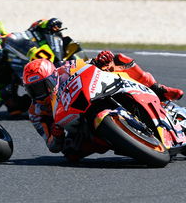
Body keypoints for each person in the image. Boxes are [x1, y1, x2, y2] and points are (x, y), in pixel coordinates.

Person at [23, 50, 184, 161]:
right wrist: (56, 135)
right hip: (78, 127)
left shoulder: (65, 69)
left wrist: (100, 60)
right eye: (33, 90)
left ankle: (158, 88)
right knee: (70, 153)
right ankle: (123, 140)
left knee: (119, 59)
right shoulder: (35, 112)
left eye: (41, 87)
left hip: (92, 95)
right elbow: (52, 146)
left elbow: (86, 65)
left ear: (52, 79)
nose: (39, 94)